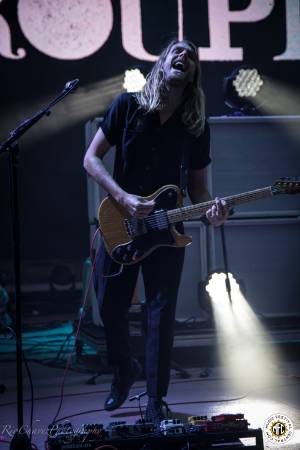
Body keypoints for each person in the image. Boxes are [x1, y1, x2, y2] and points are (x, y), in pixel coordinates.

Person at [84, 39, 229, 425]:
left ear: (194, 74)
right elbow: (91, 158)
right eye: (176, 51)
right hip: (121, 221)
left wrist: (212, 210)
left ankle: (155, 397)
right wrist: (122, 197)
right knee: (111, 307)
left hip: (167, 229)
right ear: (162, 63)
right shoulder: (127, 106)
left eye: (192, 56)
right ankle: (122, 370)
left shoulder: (195, 124)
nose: (185, 56)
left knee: (160, 313)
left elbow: (198, 188)